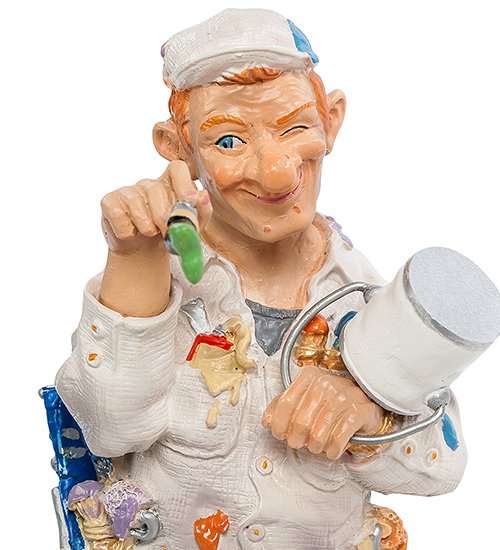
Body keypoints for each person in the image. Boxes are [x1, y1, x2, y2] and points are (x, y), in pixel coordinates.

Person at [55, 8, 467, 549]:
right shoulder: (164, 279)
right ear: (178, 149)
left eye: (295, 127)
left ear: (332, 121)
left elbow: (444, 463)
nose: (275, 173)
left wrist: (373, 414)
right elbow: (109, 428)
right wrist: (134, 262)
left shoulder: (365, 299)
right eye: (229, 141)